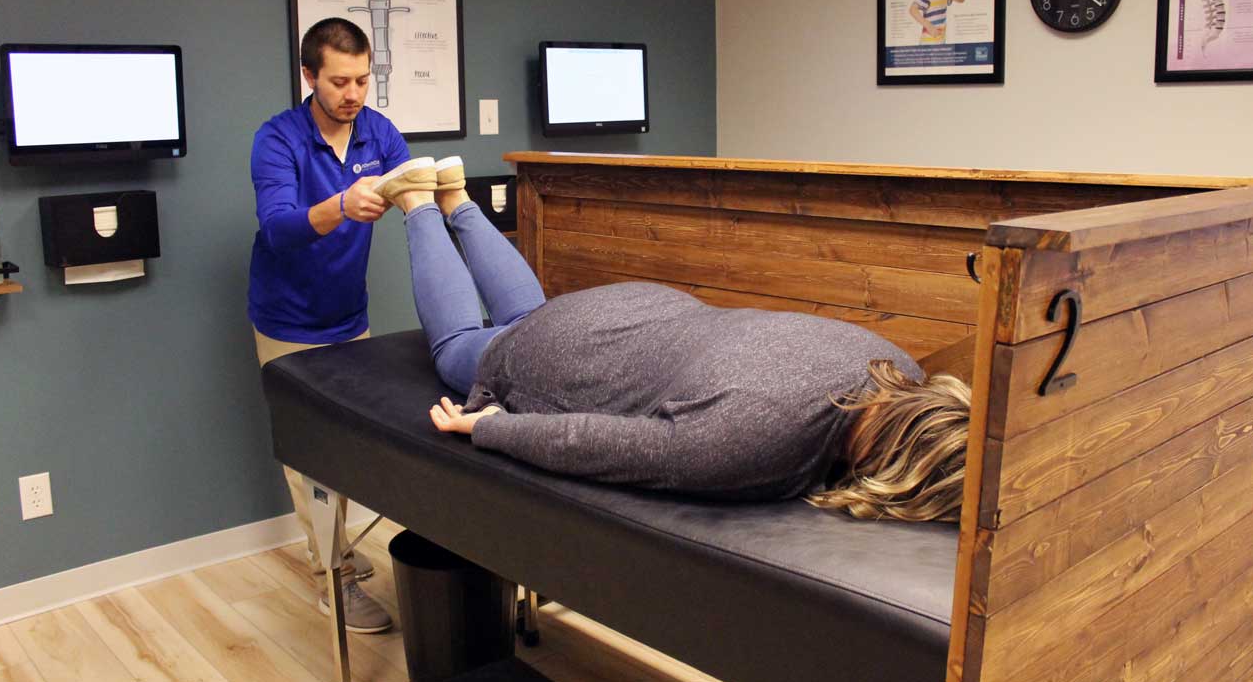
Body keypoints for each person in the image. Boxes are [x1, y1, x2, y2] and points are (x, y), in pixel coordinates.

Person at [386, 163, 972, 523]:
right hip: (561, 359)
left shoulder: (891, 361)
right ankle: (417, 202)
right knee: (463, 344)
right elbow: (591, 442)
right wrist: (487, 425)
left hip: (640, 305)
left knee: (526, 314)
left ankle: (458, 198)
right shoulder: (754, 440)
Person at [248, 17, 431, 632]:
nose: (354, 94)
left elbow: (416, 194)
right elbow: (276, 228)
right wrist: (339, 206)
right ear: (308, 76)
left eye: (362, 79)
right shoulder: (277, 140)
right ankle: (335, 579)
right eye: (339, 82)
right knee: (311, 461)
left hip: (349, 317)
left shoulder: (379, 133)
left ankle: (339, 550)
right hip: (287, 321)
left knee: (352, 446)